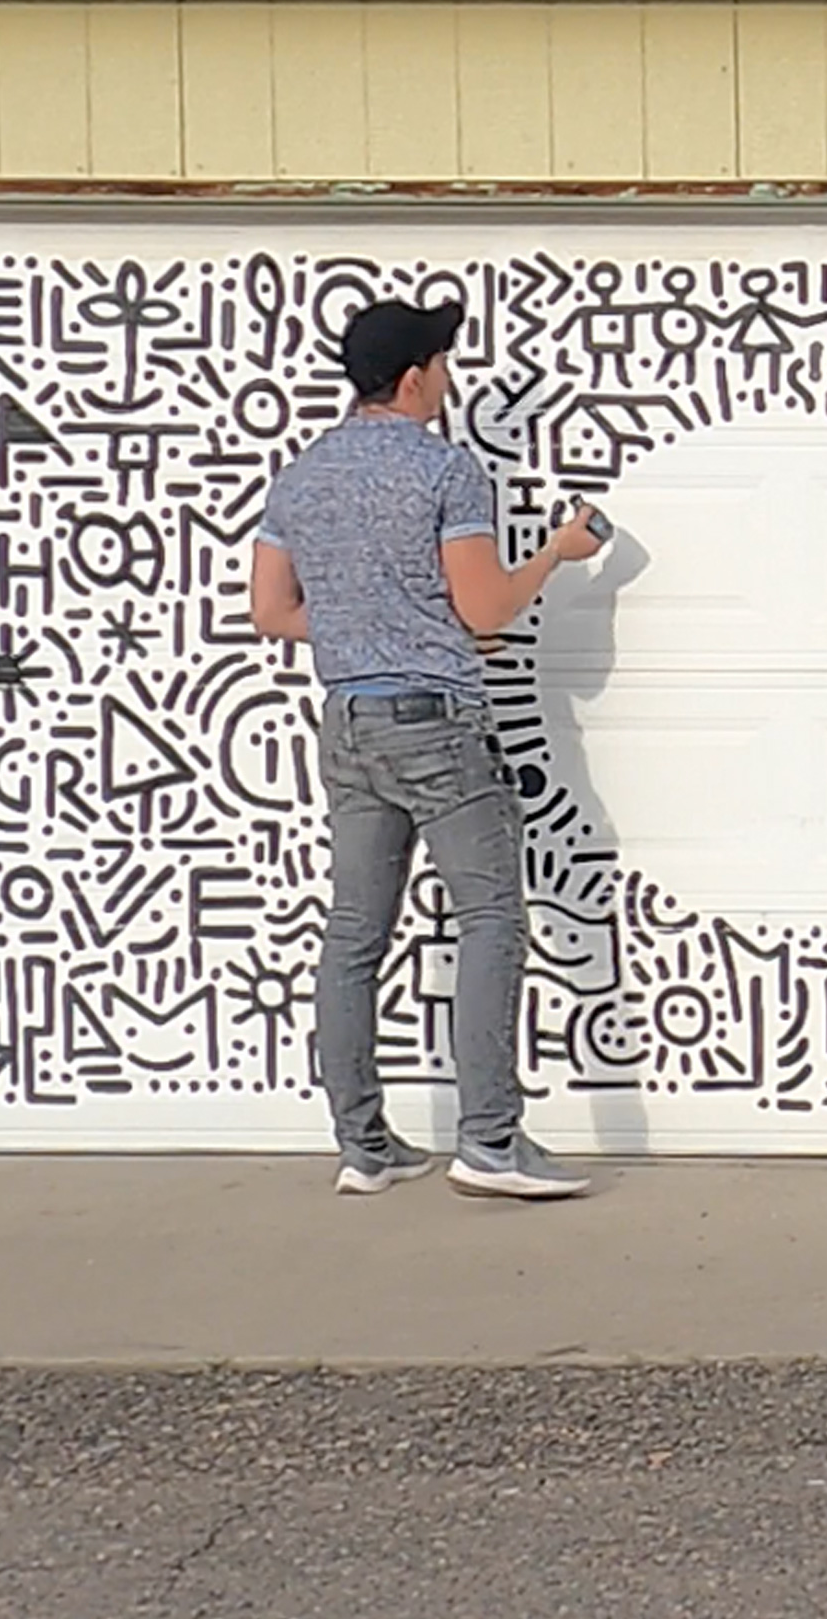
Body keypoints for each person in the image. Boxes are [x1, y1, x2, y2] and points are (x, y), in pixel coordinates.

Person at [250, 296, 605, 1200]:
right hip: (438, 723)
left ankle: (363, 1145)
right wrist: (558, 553)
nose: (448, 381)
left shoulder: (301, 477)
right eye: (444, 365)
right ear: (414, 377)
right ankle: (490, 1142)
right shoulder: (444, 470)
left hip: (350, 723)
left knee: (354, 933)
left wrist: (372, 627)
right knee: (493, 917)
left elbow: (273, 612)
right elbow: (485, 610)